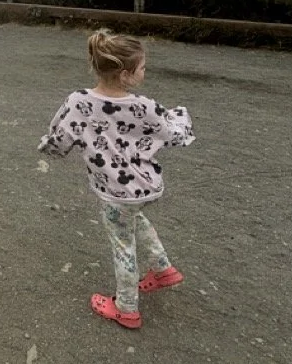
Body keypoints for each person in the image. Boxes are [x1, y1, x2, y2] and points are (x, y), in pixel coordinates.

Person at [38, 29, 195, 330]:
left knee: (122, 244)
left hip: (115, 191)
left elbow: (59, 141)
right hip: (144, 186)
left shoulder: (78, 102)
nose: (145, 72)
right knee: (134, 221)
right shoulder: (144, 106)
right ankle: (163, 269)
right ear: (126, 74)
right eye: (143, 67)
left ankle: (126, 307)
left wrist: (47, 146)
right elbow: (173, 133)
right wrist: (181, 116)